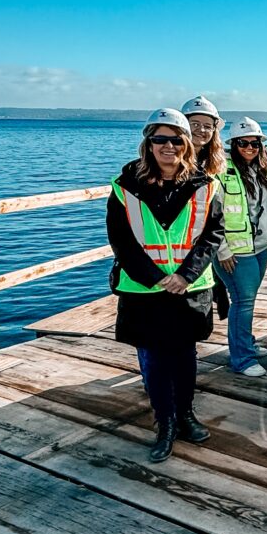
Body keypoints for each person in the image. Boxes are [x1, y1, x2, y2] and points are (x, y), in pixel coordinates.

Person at [106, 108, 224, 463]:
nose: (168, 146)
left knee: (185, 356)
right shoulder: (125, 187)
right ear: (148, 143)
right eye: (160, 139)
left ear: (187, 143)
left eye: (176, 139)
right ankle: (165, 422)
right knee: (155, 359)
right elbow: (121, 241)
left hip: (188, 288)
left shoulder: (205, 185)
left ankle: (185, 413)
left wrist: (184, 276)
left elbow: (212, 235)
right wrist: (157, 278)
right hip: (145, 291)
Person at [214, 117, 267, 378]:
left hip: (260, 247)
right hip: (236, 253)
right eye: (243, 143)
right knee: (243, 302)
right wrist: (222, 250)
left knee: (246, 301)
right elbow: (212, 213)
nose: (249, 148)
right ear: (234, 144)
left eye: (255, 143)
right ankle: (242, 358)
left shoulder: (260, 170)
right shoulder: (222, 171)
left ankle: (246, 343)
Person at [181, 96, 228, 318]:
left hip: (200, 256)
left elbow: (214, 220)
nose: (201, 130)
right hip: (173, 258)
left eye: (208, 126)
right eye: (195, 124)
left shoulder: (211, 166)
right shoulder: (170, 162)